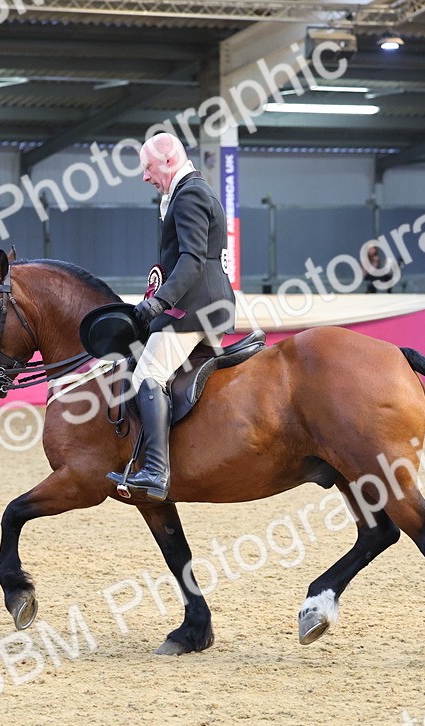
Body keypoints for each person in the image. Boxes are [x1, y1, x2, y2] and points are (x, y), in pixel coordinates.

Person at [106, 132, 236, 502]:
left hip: (196, 307)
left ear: (168, 159)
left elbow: (192, 261)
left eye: (147, 167)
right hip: (205, 304)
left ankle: (156, 471)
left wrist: (159, 303)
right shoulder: (185, 192)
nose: (144, 177)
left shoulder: (191, 194)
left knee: (149, 372)